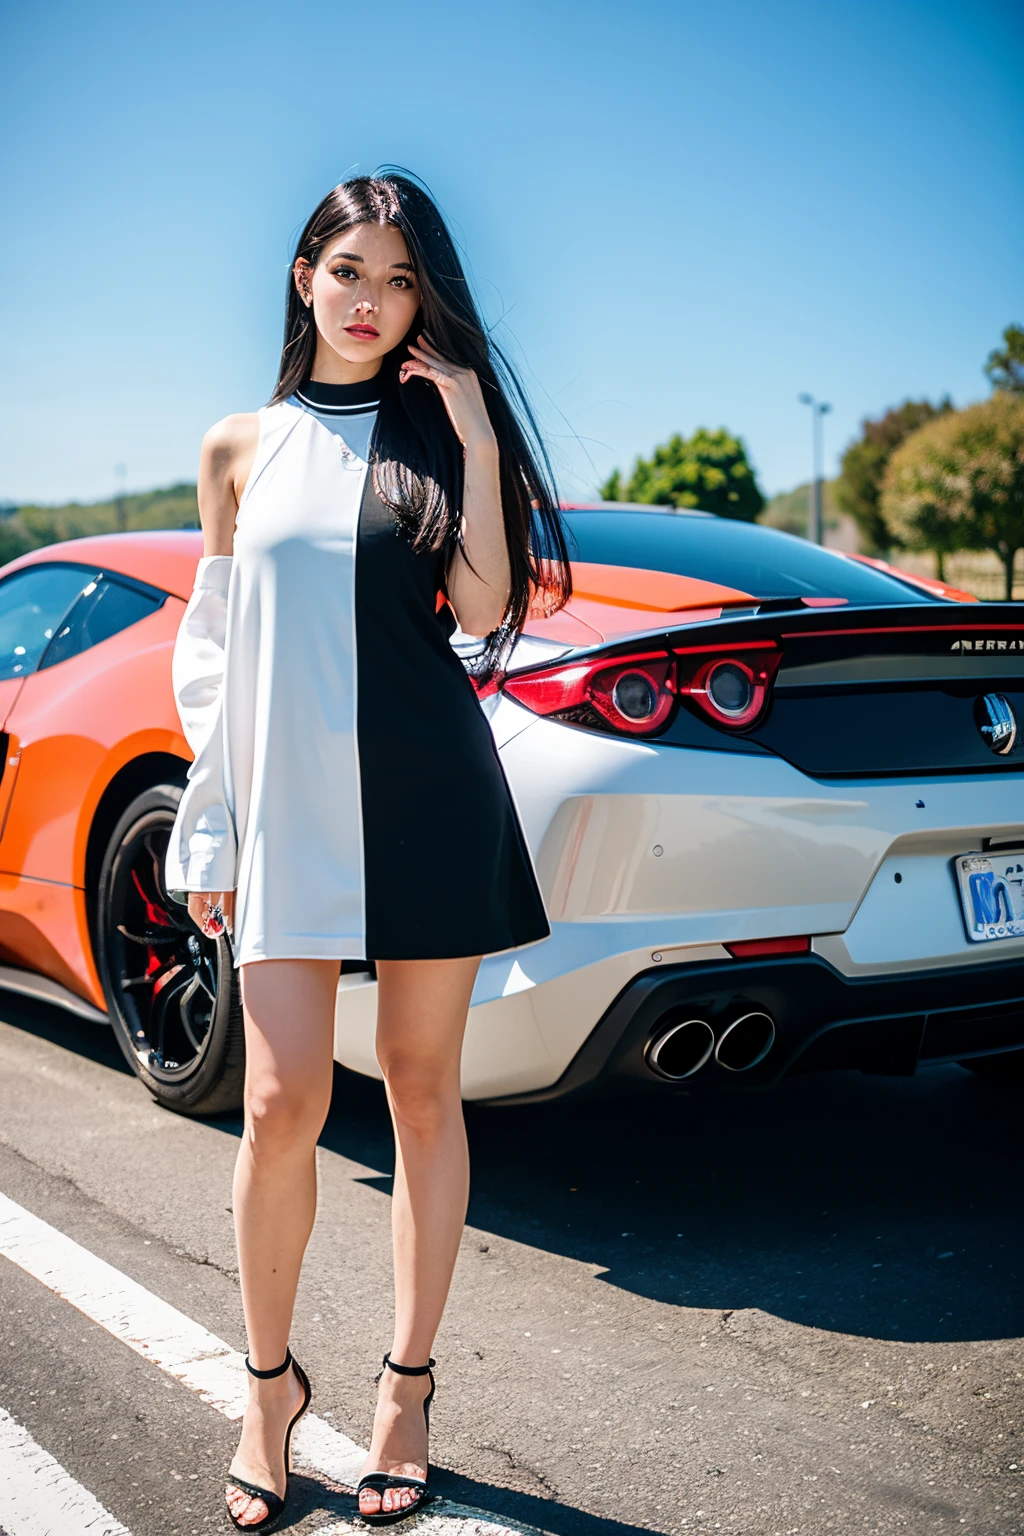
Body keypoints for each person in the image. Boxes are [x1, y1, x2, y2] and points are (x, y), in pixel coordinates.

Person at [163, 171, 571, 1533]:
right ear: (304, 277)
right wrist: (208, 831)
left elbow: (484, 608)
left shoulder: (436, 434)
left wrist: (470, 430)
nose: (373, 303)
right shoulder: (237, 448)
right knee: (279, 1107)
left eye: (401, 282)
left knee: (418, 1088)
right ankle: (268, 1387)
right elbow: (213, 663)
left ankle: (405, 1390)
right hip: (288, 814)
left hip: (427, 797)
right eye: (352, 273)